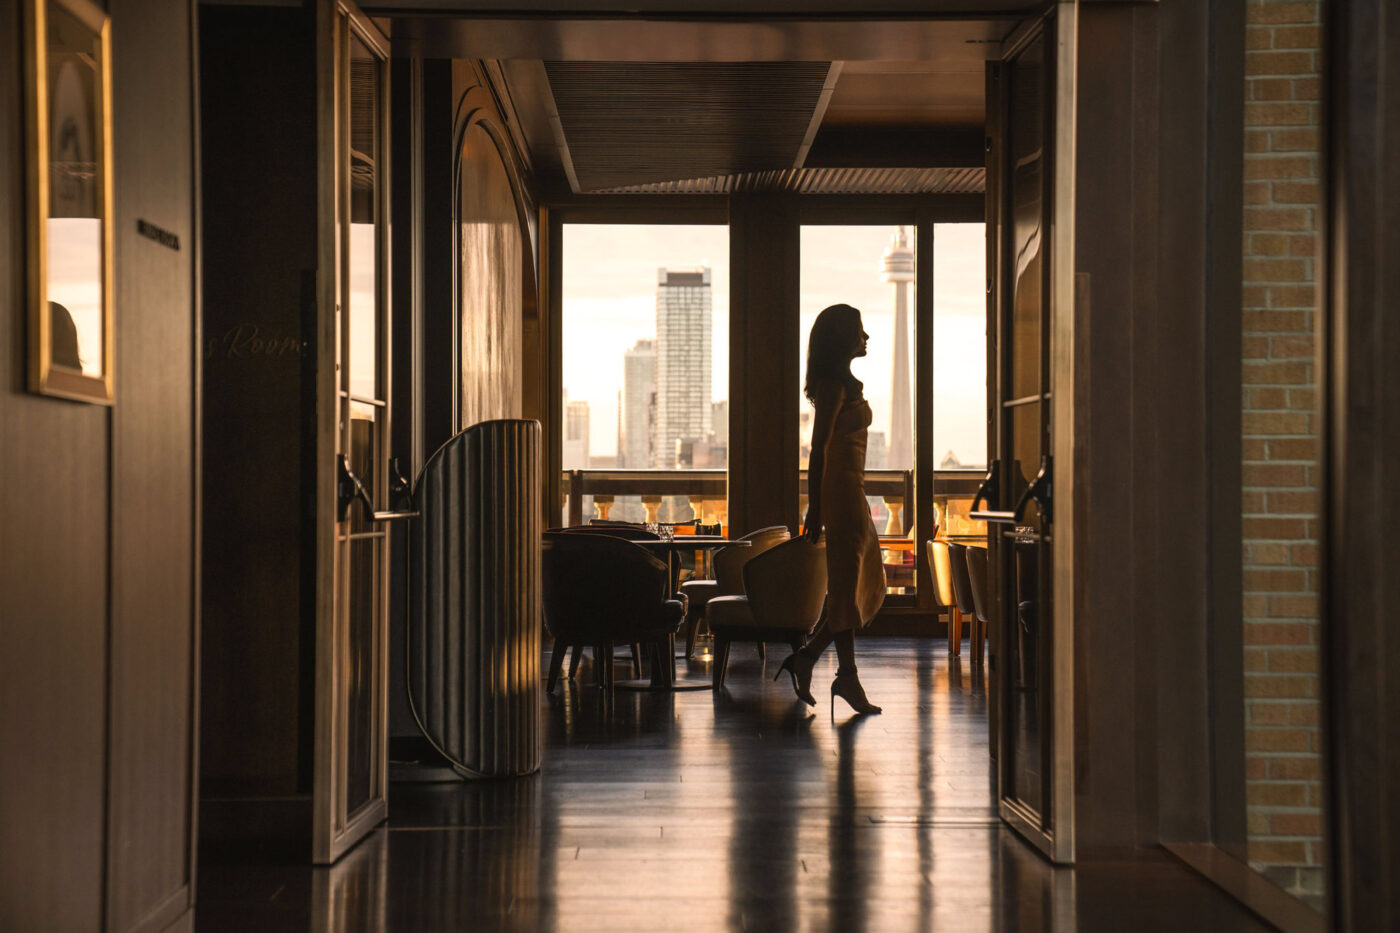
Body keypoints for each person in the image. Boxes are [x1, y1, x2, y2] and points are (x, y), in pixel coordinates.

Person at [777, 303, 884, 715]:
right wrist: (815, 507)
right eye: (859, 330)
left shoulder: (844, 385)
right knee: (845, 589)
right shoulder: (832, 388)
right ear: (842, 339)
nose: (866, 337)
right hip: (839, 496)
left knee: (849, 588)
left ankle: (814, 663)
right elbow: (818, 453)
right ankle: (844, 676)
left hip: (851, 492)